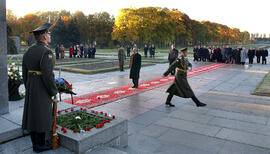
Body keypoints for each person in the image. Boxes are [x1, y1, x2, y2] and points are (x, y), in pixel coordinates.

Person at [22, 23, 58, 153]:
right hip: (42, 87)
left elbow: (24, 73)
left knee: (32, 115)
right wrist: (54, 91)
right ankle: (40, 145)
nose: (49, 36)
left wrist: (29, 87)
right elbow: (48, 75)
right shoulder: (46, 52)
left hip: (31, 86)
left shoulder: (28, 51)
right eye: (48, 34)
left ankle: (34, 143)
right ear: (43, 37)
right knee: (42, 115)